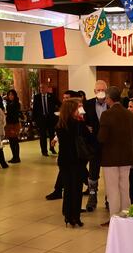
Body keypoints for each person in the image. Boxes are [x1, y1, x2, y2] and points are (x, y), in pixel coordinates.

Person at [98, 86, 133, 226]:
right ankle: (126, 216)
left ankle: (114, 219)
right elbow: (132, 134)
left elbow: (102, 138)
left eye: (106, 98)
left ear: (110, 98)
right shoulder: (129, 114)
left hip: (110, 157)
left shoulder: (107, 115)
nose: (105, 100)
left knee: (112, 189)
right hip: (126, 155)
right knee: (125, 187)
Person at [56, 99, 92, 227]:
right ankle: (75, 216)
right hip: (77, 160)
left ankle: (67, 215)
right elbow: (89, 137)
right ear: (72, 110)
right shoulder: (78, 124)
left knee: (68, 189)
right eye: (78, 108)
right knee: (76, 189)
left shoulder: (60, 124)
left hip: (64, 160)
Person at [47, 90, 78, 201]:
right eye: (64, 98)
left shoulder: (78, 114)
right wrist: (55, 138)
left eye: (67, 98)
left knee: (75, 175)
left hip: (76, 151)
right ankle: (58, 190)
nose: (65, 100)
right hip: (66, 151)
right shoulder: (64, 113)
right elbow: (61, 128)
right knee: (66, 172)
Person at [83, 81, 109, 210]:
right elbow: (81, 122)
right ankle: (92, 197)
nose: (100, 92)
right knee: (93, 172)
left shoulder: (112, 104)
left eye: (103, 90)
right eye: (98, 90)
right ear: (94, 91)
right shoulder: (87, 104)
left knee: (110, 172)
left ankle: (109, 198)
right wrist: (86, 128)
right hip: (93, 144)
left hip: (109, 145)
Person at [32, 86, 59, 156]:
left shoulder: (52, 96)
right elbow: (34, 108)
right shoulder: (37, 97)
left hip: (51, 119)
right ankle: (44, 151)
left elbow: (59, 104)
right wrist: (34, 119)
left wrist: (57, 113)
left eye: (43, 88)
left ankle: (52, 148)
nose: (41, 89)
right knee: (42, 136)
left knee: (51, 135)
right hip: (41, 119)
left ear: (47, 89)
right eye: (40, 88)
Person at [5, 89, 22, 163]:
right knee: (11, 141)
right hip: (9, 124)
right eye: (9, 95)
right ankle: (14, 156)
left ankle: (17, 157)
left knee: (14, 141)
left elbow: (14, 116)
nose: (10, 96)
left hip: (14, 124)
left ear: (15, 96)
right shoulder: (9, 104)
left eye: (12, 95)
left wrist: (12, 128)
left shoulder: (16, 104)